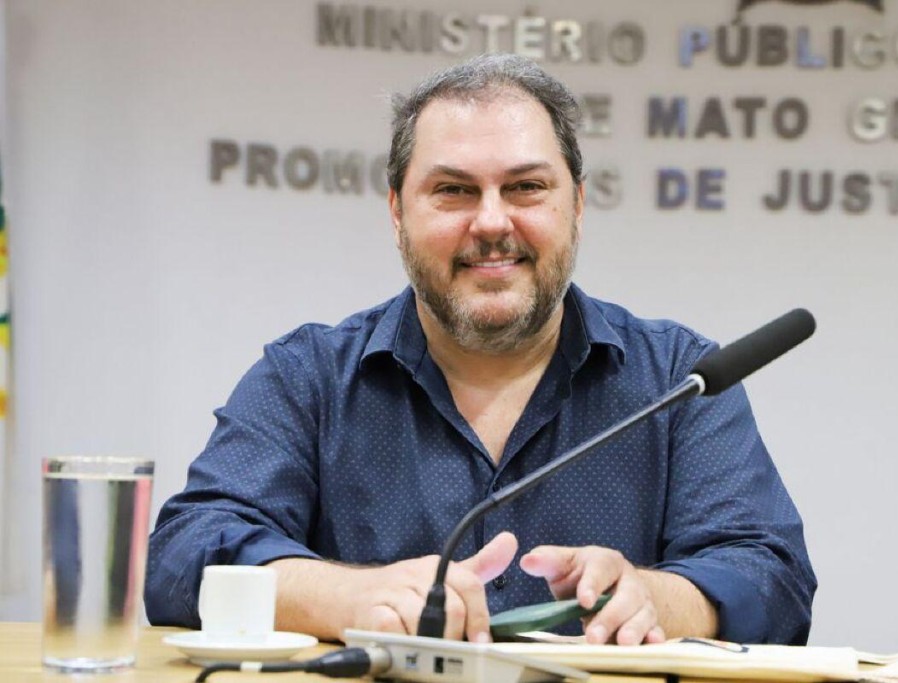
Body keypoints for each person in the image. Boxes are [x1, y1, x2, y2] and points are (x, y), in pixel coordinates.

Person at [145, 53, 815, 647]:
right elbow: (183, 554)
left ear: (577, 206)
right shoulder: (308, 377)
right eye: (454, 190)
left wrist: (656, 598)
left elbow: (772, 577)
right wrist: (347, 595)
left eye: (526, 187)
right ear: (397, 213)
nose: (492, 222)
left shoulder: (679, 378)